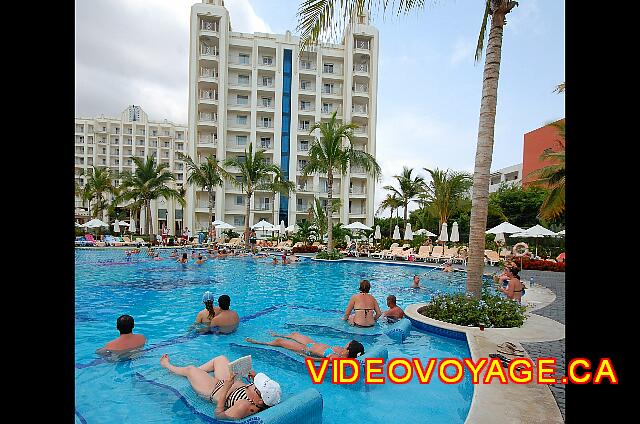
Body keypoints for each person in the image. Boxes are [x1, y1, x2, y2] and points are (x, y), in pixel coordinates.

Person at [160, 354, 281, 420]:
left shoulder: (244, 406)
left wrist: (227, 387)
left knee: (191, 369)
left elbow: (218, 415)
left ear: (259, 400)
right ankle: (198, 373)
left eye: (256, 386)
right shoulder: (266, 396)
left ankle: (169, 366)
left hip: (213, 389)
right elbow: (260, 389)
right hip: (228, 381)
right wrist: (254, 376)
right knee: (220, 359)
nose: (255, 384)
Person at [246, 332, 364, 360]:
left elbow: (320, 360)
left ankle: (260, 343)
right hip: (312, 343)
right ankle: (278, 333)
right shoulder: (343, 350)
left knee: (279, 342)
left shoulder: (338, 358)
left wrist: (304, 356)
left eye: (350, 343)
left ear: (350, 347)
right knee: (294, 334)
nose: (348, 342)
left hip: (306, 350)